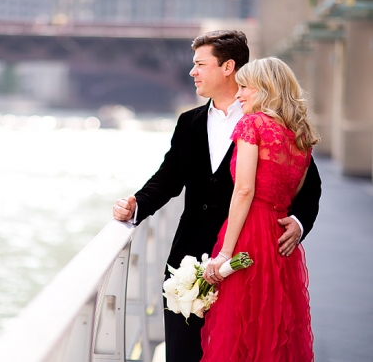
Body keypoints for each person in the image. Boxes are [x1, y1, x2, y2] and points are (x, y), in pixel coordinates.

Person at [112, 30, 322, 362]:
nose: (192, 71)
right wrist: (137, 203)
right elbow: (169, 178)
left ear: (228, 68)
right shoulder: (189, 122)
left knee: (241, 348)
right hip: (189, 254)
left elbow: (309, 185)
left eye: (199, 64)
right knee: (182, 350)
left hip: (246, 257)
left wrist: (299, 221)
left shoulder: (265, 122)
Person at [200, 57, 318, 361]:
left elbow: (245, 190)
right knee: (272, 326)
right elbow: (295, 192)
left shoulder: (252, 124)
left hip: (249, 233)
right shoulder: (301, 136)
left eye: (245, 88)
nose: (238, 95)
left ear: (265, 89)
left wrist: (225, 253)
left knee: (238, 325)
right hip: (279, 240)